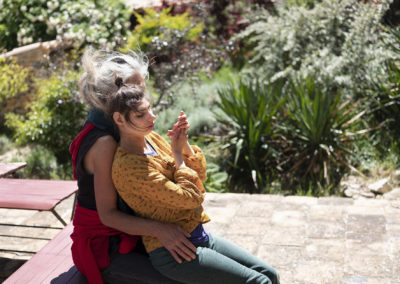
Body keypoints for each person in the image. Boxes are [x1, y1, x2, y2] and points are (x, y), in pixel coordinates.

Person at [101, 59, 280, 283]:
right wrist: (177, 156)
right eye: (141, 115)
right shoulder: (129, 168)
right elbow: (191, 198)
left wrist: (183, 146)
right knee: (258, 282)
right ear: (119, 119)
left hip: (197, 235)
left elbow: (199, 177)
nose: (152, 117)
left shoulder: (152, 139)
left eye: (150, 110)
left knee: (269, 275)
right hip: (173, 252)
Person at [69, 49, 197, 284]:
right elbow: (107, 215)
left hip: (130, 234)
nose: (141, 95)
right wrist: (160, 230)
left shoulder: (123, 128)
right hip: (107, 248)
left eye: (142, 87)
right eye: (134, 88)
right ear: (112, 97)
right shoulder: (105, 143)